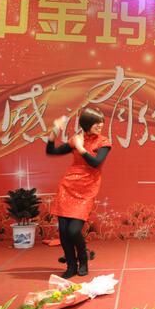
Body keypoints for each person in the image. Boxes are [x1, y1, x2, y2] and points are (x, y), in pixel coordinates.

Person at [46, 107, 112, 278]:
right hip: (67, 186)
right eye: (96, 123)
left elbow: (96, 163)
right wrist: (54, 131)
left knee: (73, 231)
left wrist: (80, 148)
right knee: (63, 231)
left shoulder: (103, 142)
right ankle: (71, 266)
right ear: (87, 124)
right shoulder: (76, 139)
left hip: (87, 188)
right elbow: (51, 151)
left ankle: (83, 260)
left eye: (101, 122)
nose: (100, 125)